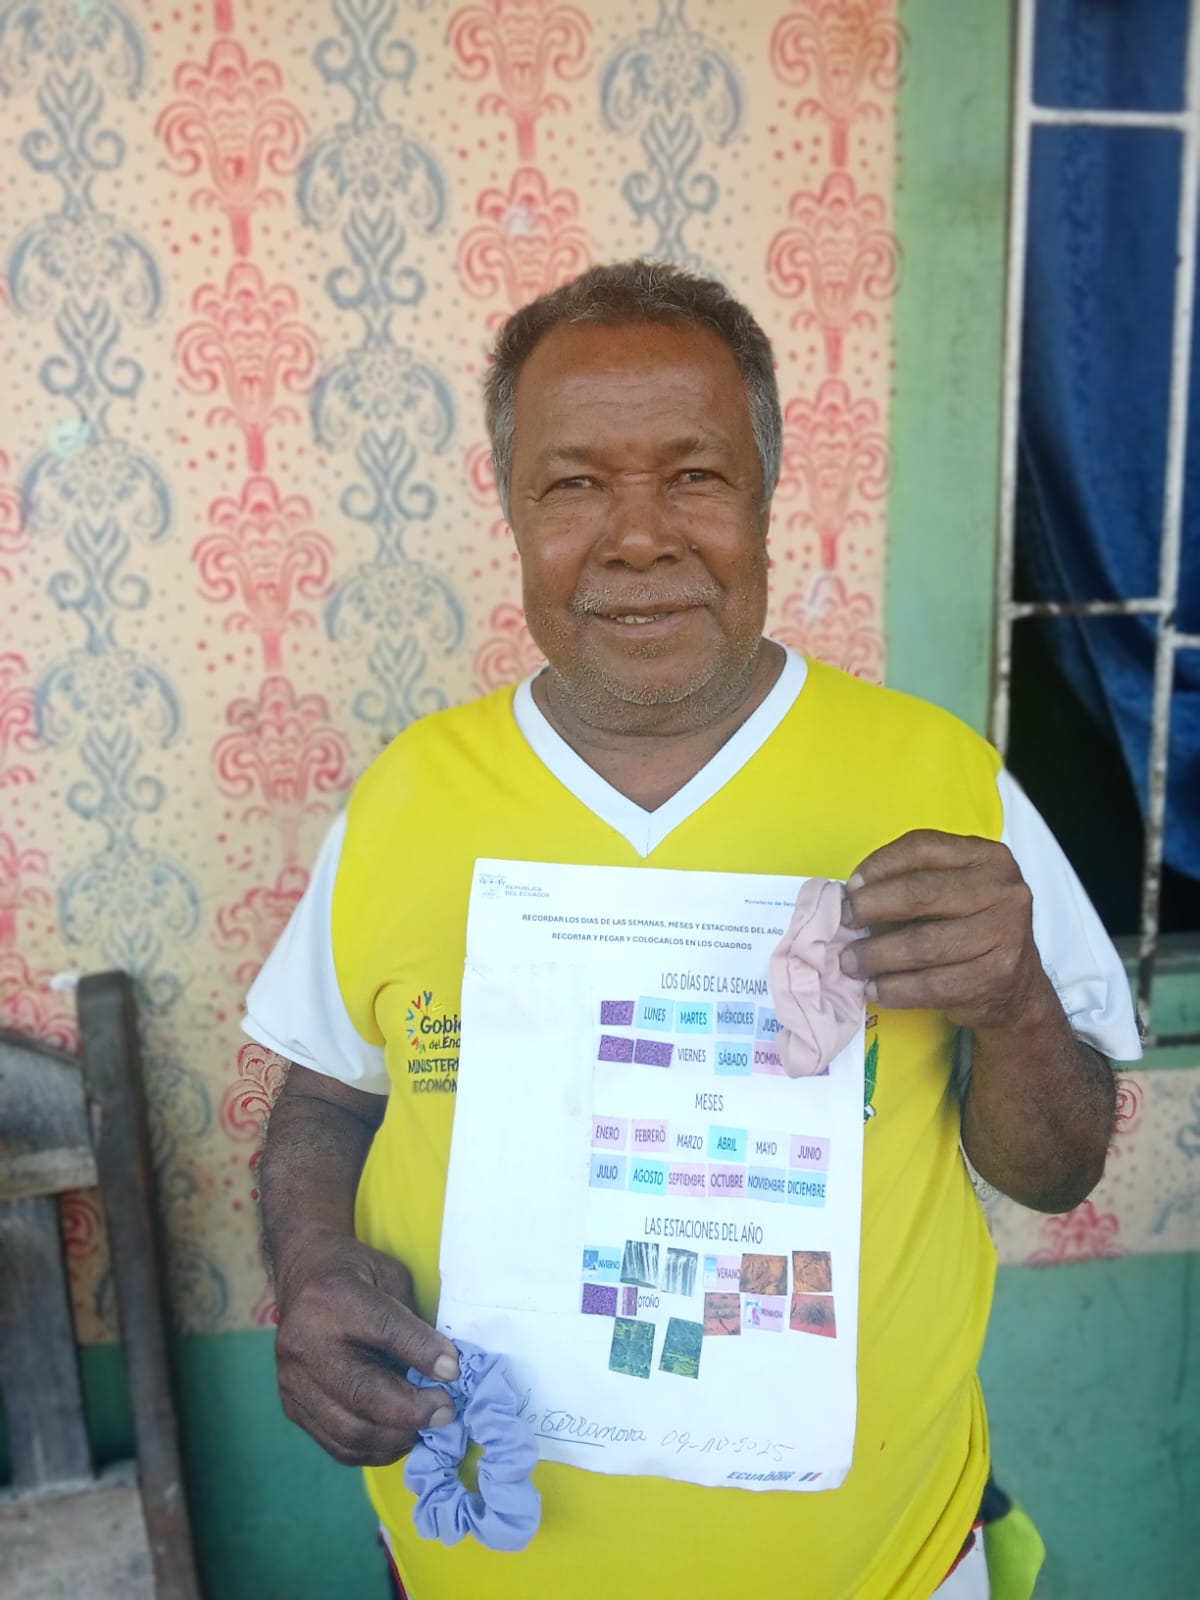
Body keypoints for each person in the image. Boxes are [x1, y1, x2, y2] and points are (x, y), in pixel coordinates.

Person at [246, 260, 1141, 1600]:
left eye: (695, 476)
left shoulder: (942, 783)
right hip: (469, 1558)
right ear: (512, 508)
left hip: (886, 1572)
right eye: (574, 485)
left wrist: (1015, 1005)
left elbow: (1058, 1170)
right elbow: (326, 1101)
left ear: (766, 494)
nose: (638, 538)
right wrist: (313, 1265)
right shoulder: (408, 798)